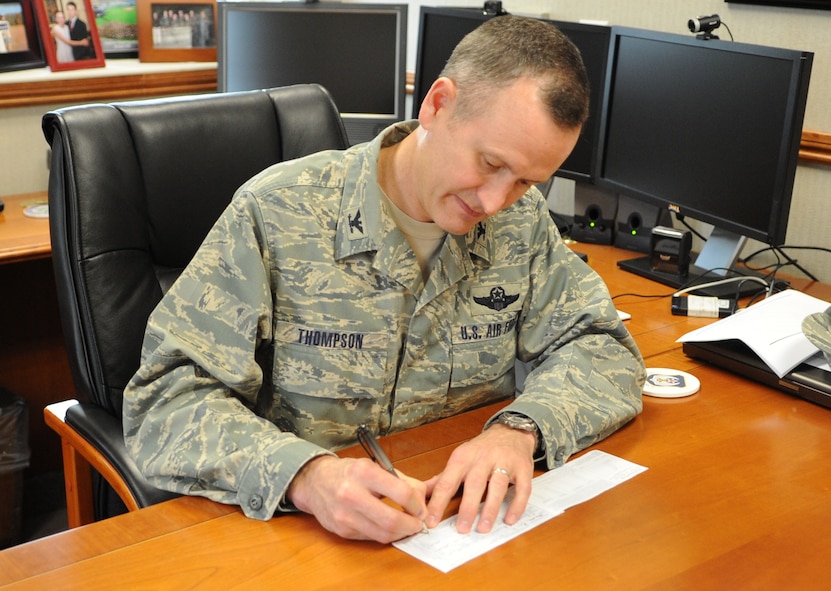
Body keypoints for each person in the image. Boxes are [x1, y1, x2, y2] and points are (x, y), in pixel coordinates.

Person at [123, 15, 645, 544]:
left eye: (527, 181)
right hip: (305, 537)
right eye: (489, 163)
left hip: (457, 530)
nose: (494, 202)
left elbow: (601, 344)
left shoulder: (521, 220)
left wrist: (520, 429)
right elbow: (165, 401)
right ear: (437, 105)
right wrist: (305, 475)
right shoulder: (277, 212)